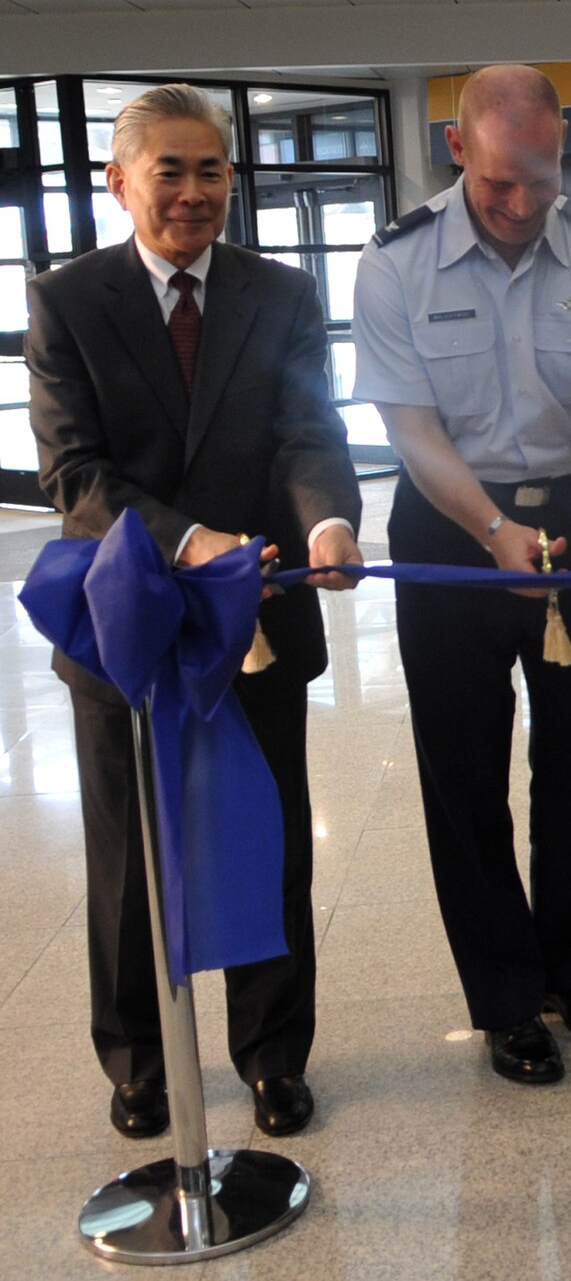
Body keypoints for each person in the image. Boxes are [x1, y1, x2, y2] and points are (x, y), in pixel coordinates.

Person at [26, 83, 364, 1139]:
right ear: (120, 182)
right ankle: (136, 1061)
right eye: (166, 170)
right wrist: (187, 539)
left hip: (259, 618)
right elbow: (73, 473)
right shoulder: (71, 300)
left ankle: (271, 1056)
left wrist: (326, 524)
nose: (191, 191)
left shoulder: (280, 294)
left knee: (268, 839)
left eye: (209, 168)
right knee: (130, 854)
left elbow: (308, 433)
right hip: (123, 626)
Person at [352, 64, 571, 1086]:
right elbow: (410, 429)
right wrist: (487, 529)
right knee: (464, 774)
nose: (521, 208)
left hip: (570, 511)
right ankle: (505, 999)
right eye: (497, 186)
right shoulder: (395, 262)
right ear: (455, 151)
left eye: (541, 181)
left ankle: (569, 970)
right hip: (446, 526)